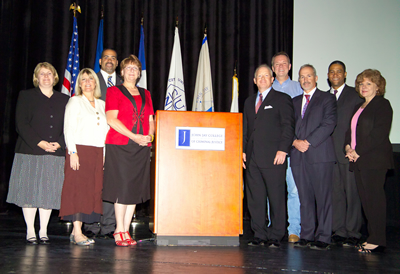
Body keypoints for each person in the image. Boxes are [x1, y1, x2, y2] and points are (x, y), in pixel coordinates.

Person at [6, 62, 69, 244]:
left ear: (55, 77)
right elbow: (21, 124)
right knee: (29, 194)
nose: (46, 77)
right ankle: (30, 230)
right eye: (42, 74)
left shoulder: (64, 99)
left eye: (49, 73)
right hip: (30, 151)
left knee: (48, 194)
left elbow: (70, 126)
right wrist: (40, 143)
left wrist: (59, 143)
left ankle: (43, 230)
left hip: (55, 152)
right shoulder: (25, 96)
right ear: (36, 77)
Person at [103, 54, 154, 247]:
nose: (132, 71)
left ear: (139, 73)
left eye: (135, 69)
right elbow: (111, 119)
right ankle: (119, 230)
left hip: (141, 146)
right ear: (122, 72)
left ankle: (126, 229)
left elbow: (150, 119)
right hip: (120, 145)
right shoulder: (114, 92)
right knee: (121, 189)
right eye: (128, 68)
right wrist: (134, 137)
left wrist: (149, 137)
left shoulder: (146, 93)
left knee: (134, 189)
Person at [243, 64, 295, 248]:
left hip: (274, 157)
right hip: (252, 158)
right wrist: (243, 151)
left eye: (267, 75)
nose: (263, 79)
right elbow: (246, 129)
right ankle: (259, 233)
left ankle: (276, 235)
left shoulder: (282, 99)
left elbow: (288, 127)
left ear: (272, 79)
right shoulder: (249, 102)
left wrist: (283, 149)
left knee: (276, 198)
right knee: (255, 198)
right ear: (255, 80)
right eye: (259, 76)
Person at [345, 69, 393, 253]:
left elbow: (379, 134)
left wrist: (358, 151)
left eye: (368, 84)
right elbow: (349, 132)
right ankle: (373, 237)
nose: (363, 87)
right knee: (366, 201)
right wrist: (348, 148)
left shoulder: (382, 105)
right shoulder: (359, 107)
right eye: (361, 83)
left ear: (378, 86)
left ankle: (378, 239)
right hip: (358, 160)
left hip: (374, 161)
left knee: (375, 200)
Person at [59, 68, 109, 245]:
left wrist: (103, 155)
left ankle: (76, 231)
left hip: (97, 152)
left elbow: (105, 132)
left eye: (91, 79)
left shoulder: (102, 104)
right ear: (79, 84)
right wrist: (72, 152)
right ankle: (78, 232)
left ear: (96, 83)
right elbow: (68, 128)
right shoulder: (75, 101)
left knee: (92, 191)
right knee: (77, 190)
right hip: (80, 150)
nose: (88, 82)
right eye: (84, 79)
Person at [291, 64, 337, 250]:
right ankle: (307, 234)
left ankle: (324, 237)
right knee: (304, 198)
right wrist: (295, 142)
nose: (305, 80)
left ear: (316, 78)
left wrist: (307, 142)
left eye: (309, 76)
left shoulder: (327, 98)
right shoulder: (293, 102)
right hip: (297, 156)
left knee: (323, 197)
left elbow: (329, 123)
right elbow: (286, 127)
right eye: (302, 77)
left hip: (320, 155)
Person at [84, 49, 123, 239]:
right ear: (100, 61)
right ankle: (91, 224)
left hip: (116, 141)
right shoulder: (90, 80)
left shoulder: (125, 84)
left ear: (117, 63)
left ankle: (109, 225)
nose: (109, 60)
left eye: (113, 58)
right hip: (92, 140)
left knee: (110, 184)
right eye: (106, 57)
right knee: (92, 183)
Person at [327, 61, 363, 247]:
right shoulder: (324, 97)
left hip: (348, 153)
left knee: (352, 193)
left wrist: (354, 148)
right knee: (336, 195)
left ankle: (353, 231)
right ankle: (339, 230)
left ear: (345, 74)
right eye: (332, 72)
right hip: (329, 155)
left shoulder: (355, 96)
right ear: (327, 75)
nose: (335, 75)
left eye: (338, 71)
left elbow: (359, 125)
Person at [271, 52, 303, 243]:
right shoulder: (265, 87)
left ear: (290, 66)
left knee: (294, 191)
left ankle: (294, 230)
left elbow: (302, 121)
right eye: (277, 64)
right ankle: (272, 228)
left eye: (284, 63)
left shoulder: (300, 88)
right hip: (271, 151)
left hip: (293, 150)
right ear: (273, 67)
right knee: (272, 191)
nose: (281, 66)